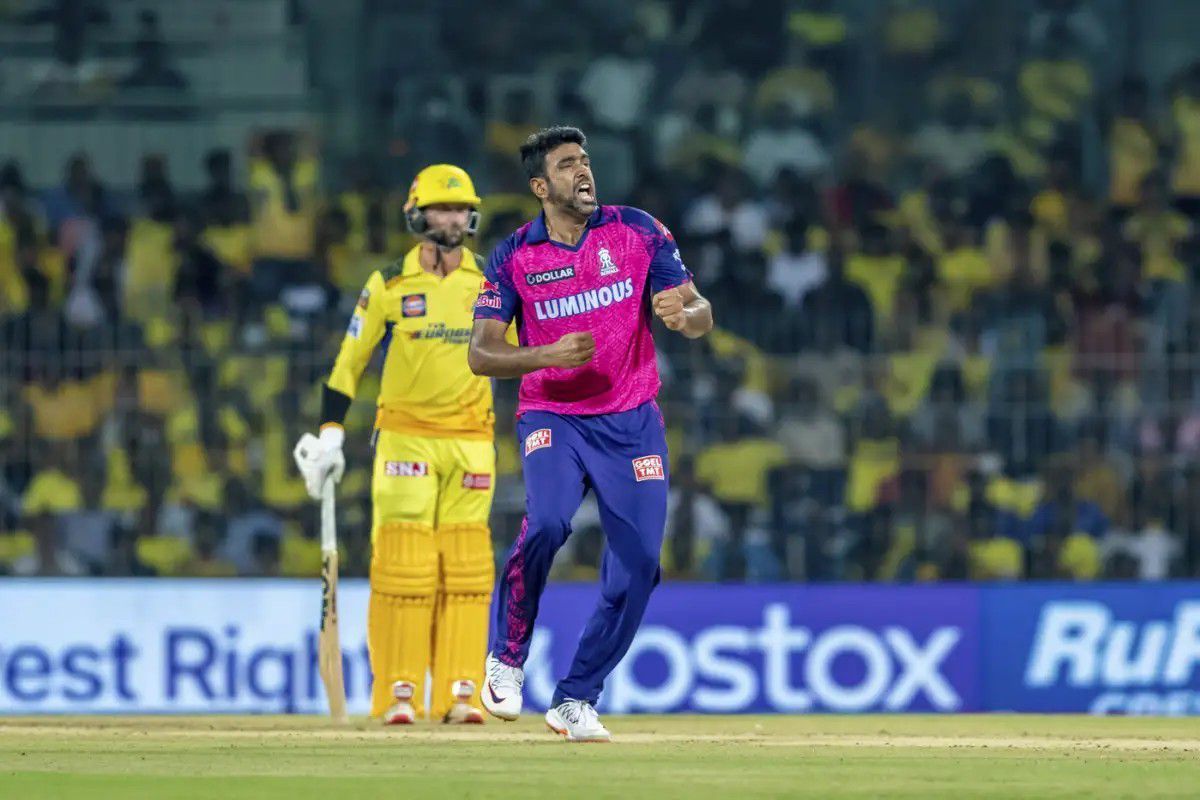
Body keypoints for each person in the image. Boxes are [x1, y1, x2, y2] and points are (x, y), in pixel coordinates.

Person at [468, 126, 713, 741]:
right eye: (567, 164)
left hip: (631, 420)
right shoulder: (513, 255)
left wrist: (687, 317)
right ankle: (507, 656)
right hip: (552, 416)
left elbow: (699, 307)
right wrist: (546, 352)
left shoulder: (637, 230)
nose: (583, 172)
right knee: (549, 521)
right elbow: (480, 354)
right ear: (539, 185)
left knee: (640, 565)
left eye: (585, 161)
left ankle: (576, 697)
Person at [293, 165, 498, 725]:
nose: (452, 219)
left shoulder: (491, 283)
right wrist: (331, 436)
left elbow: (528, 355)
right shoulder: (388, 284)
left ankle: (461, 694)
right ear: (417, 214)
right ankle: (399, 693)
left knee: (467, 568)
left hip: (473, 441)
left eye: (459, 209)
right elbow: (348, 364)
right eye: (440, 209)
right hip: (406, 438)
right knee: (405, 565)